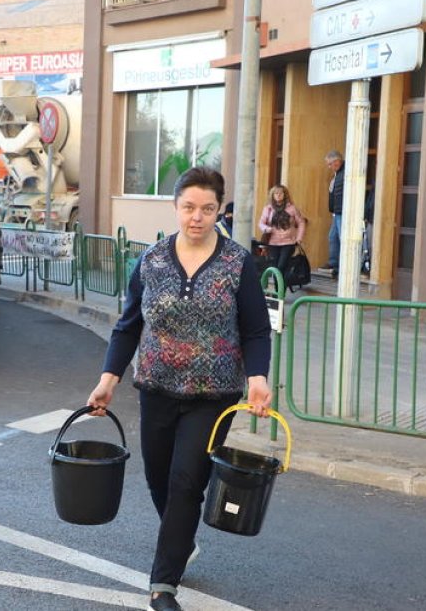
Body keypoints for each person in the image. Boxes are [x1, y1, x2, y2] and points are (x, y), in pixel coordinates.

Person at [87, 167, 272, 611]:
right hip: (156, 387)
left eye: (208, 209)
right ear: (175, 207)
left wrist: (258, 378)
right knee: (158, 480)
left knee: (186, 480)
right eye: (189, 207)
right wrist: (107, 380)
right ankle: (180, 540)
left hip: (213, 394)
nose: (197, 217)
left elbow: (256, 329)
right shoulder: (150, 260)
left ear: (219, 211)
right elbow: (129, 326)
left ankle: (163, 584)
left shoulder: (236, 262)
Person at [257, 185, 307, 288]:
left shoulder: (292, 208)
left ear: (285, 195)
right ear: (272, 195)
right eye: (276, 193)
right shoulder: (268, 209)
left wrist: (299, 238)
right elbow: (261, 223)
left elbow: (301, 222)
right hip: (273, 243)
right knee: (275, 268)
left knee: (281, 266)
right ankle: (278, 292)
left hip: (288, 243)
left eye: (281, 193)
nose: (278, 195)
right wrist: (267, 229)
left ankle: (281, 291)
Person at [325, 150, 345, 278]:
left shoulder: (344, 174)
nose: (329, 167)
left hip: (342, 212)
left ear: (336, 162)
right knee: (333, 237)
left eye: (329, 164)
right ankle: (334, 263)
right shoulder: (338, 174)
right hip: (336, 212)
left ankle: (339, 266)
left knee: (342, 239)